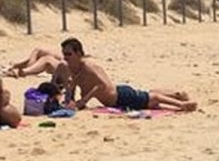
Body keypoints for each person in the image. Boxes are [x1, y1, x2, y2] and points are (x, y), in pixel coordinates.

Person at [55, 38, 198, 112]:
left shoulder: (88, 66)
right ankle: (177, 94)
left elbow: (101, 85)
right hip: (116, 96)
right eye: (64, 54)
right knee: (146, 95)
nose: (66, 57)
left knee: (153, 98)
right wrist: (71, 99)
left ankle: (182, 104)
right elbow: (77, 87)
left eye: (69, 54)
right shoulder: (75, 69)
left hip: (119, 97)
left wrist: (85, 99)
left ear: (78, 53)